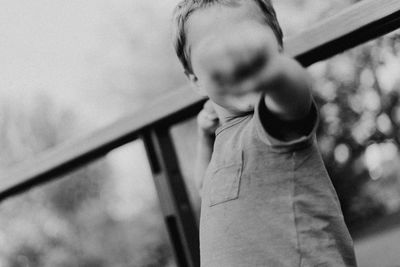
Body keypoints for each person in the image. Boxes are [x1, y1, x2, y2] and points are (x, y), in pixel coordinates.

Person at [172, 0, 358, 266]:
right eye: (216, 55)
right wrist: (204, 137)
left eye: (249, 43)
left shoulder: (272, 121)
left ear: (278, 47)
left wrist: (271, 71)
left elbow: (294, 93)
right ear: (196, 80)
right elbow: (206, 187)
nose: (237, 61)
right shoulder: (224, 140)